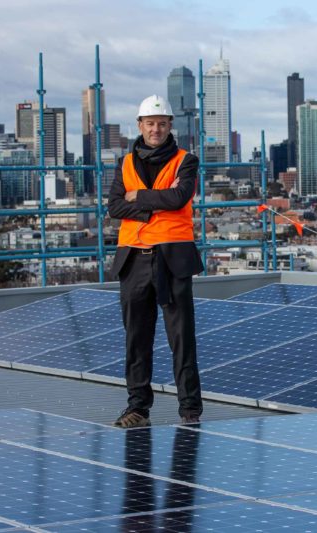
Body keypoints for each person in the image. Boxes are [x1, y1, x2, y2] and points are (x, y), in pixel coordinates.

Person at [108, 94, 204, 428]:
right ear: (140, 125)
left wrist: (138, 197)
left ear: (169, 126)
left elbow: (179, 198)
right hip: (133, 259)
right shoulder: (125, 163)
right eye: (150, 123)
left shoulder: (185, 160)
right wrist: (153, 204)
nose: (156, 129)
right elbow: (115, 206)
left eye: (162, 123)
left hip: (172, 259)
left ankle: (190, 411)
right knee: (136, 337)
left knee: (181, 337)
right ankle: (137, 408)